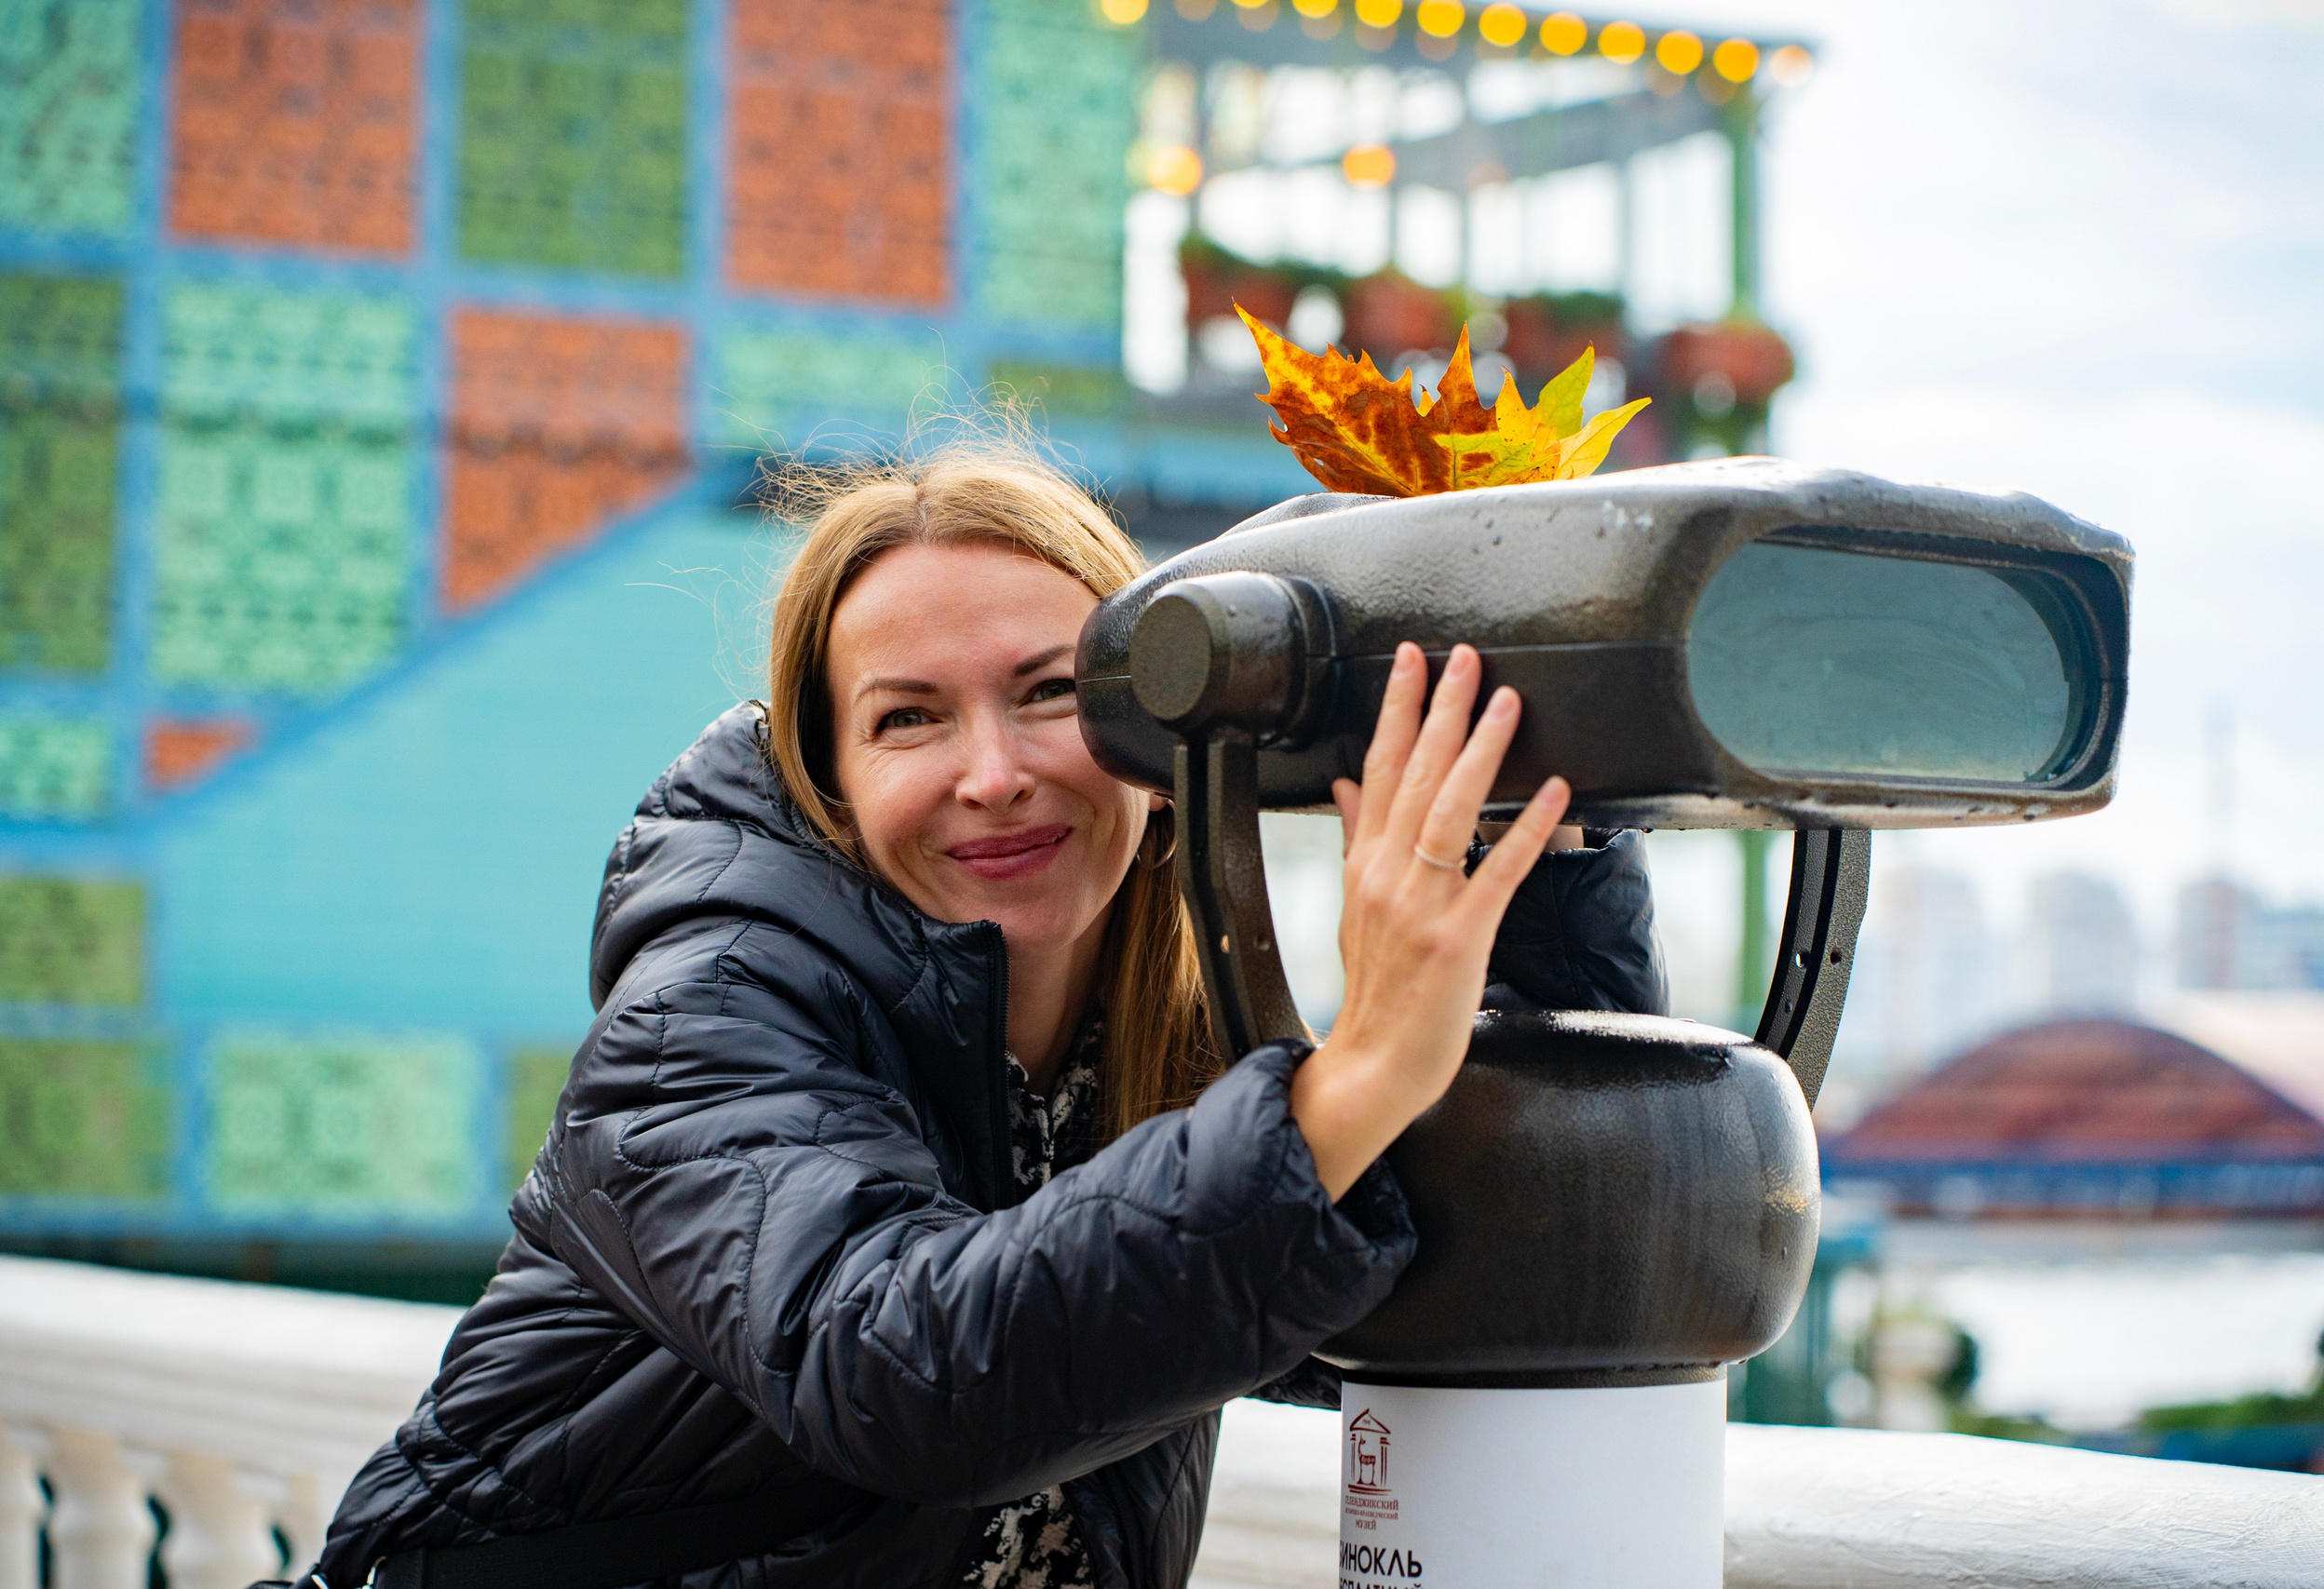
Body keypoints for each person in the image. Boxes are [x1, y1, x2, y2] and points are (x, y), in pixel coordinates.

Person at [303, 446, 1666, 1589]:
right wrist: (1358, 1070)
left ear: (1159, 733)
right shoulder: (707, 1016)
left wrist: (1546, 825)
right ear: (828, 780)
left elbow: (1493, 1254)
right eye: (909, 721)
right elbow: (899, 1371)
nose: (994, 774)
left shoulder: (1171, 1041)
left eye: (1052, 693)